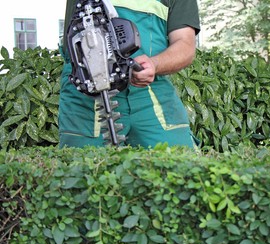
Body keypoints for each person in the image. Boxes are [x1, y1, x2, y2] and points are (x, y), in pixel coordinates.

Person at [59, 0, 200, 148]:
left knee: (179, 162)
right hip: (87, 89)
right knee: (82, 165)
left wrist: (154, 64)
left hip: (151, 91)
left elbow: (185, 44)